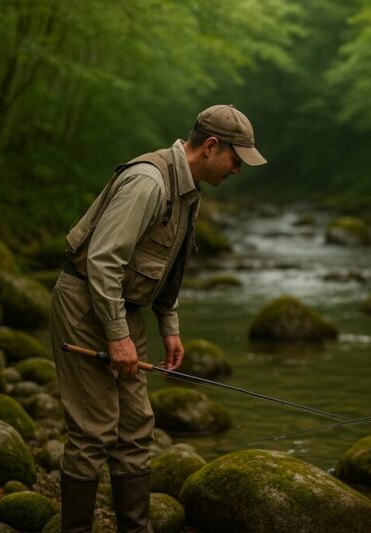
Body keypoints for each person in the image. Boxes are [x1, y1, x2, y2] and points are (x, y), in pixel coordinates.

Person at [50, 104, 267, 532]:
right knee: (94, 429)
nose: (238, 170)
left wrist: (170, 327)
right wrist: (117, 337)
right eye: (236, 159)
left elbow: (170, 266)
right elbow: (103, 262)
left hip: (122, 307)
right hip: (84, 303)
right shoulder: (148, 182)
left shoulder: (189, 191)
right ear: (210, 146)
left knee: (135, 427)